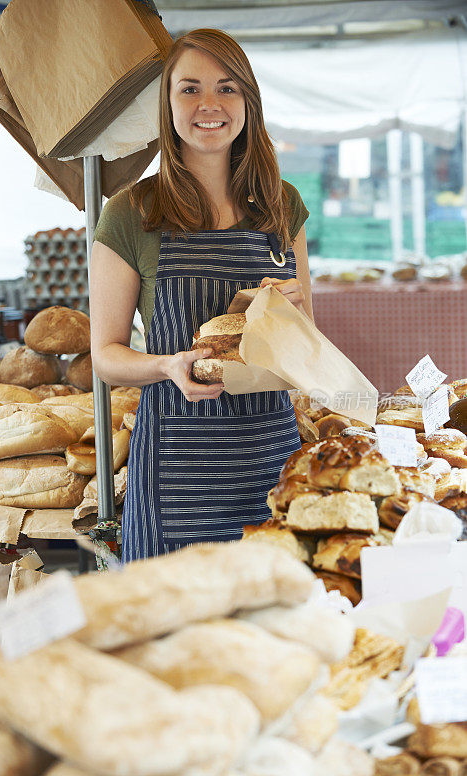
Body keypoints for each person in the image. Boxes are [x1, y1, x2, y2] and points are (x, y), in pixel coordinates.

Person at [90, 28, 313, 561]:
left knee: (271, 634)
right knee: (176, 637)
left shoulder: (282, 206)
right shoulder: (129, 213)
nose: (208, 105)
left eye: (227, 88)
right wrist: (167, 366)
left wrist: (293, 317)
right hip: (175, 473)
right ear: (167, 106)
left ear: (248, 104)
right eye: (189, 89)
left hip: (270, 462)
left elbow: (305, 349)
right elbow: (106, 357)